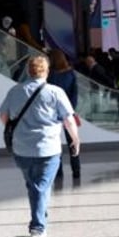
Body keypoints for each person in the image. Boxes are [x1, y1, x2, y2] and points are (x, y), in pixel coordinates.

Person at [0, 54, 80, 237]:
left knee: (34, 186)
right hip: (48, 149)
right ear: (47, 71)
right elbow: (69, 120)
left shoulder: (15, 91)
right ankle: (37, 229)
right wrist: (76, 139)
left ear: (28, 70)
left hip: (21, 149)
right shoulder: (55, 92)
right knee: (40, 188)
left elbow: (3, 116)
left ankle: (39, 220)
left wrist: (18, 126)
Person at [47, 49, 81, 179]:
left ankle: (58, 171)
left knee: (55, 143)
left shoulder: (50, 75)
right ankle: (76, 171)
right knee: (73, 141)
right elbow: (75, 94)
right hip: (68, 113)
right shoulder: (71, 73)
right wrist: (70, 111)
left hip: (53, 114)